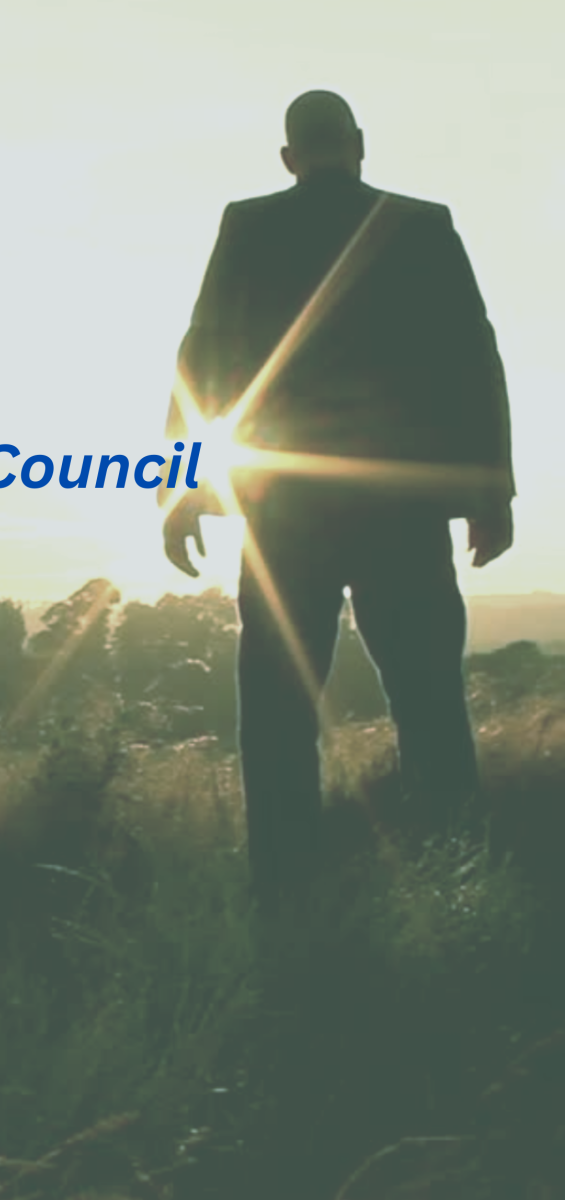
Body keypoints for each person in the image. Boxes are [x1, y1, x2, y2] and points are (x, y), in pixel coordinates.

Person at [162, 90, 515, 911]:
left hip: (285, 506)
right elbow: (475, 356)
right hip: (400, 505)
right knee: (429, 696)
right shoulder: (422, 224)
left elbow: (200, 356)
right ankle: (456, 874)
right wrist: (491, 491)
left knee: (280, 707)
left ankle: (284, 886)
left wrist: (181, 487)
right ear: (358, 143)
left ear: (287, 157)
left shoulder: (247, 225)